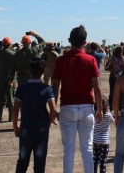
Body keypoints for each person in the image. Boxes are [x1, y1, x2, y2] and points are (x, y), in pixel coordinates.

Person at [52, 25, 103, 173]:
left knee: (68, 150)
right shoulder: (91, 60)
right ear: (85, 42)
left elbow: (55, 85)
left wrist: (53, 108)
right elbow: (97, 87)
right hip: (87, 107)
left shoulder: (61, 60)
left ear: (69, 40)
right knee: (87, 149)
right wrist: (99, 109)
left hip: (68, 107)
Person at [12, 59, 58, 173]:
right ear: (43, 71)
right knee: (40, 161)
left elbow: (15, 108)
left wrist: (15, 126)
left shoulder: (22, 88)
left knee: (22, 160)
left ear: (28, 71)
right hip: (41, 129)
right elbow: (53, 109)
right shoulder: (47, 89)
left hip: (26, 128)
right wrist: (51, 120)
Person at [0, 37, 16, 122]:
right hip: (9, 78)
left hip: (0, 77)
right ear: (9, 44)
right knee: (10, 99)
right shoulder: (12, 54)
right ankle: (11, 117)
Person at [93, 97, 114, 173]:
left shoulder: (94, 115)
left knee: (95, 159)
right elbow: (113, 121)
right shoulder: (108, 115)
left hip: (96, 140)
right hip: (105, 141)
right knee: (103, 161)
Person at [106, 46, 124, 112]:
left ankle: (111, 108)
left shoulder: (112, 58)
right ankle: (120, 108)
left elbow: (107, 67)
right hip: (121, 78)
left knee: (112, 92)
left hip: (113, 77)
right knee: (121, 93)